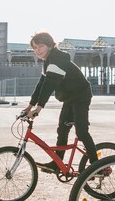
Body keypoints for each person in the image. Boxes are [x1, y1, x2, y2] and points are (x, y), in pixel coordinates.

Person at [23, 31, 99, 173]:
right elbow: (41, 85)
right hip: (70, 98)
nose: (37, 50)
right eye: (34, 48)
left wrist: (38, 109)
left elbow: (48, 86)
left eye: (40, 46)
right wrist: (29, 106)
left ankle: (97, 167)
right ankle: (58, 163)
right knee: (62, 130)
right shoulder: (48, 62)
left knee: (81, 132)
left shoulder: (58, 59)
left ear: (50, 45)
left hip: (81, 96)